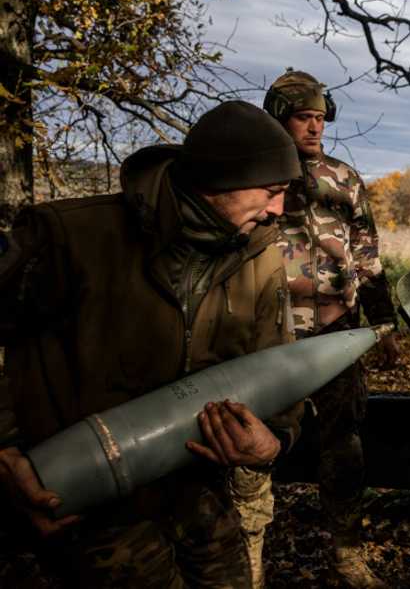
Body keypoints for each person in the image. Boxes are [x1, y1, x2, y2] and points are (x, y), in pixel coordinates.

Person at [0, 100, 304, 588]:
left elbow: (280, 366)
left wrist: (274, 439)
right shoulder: (68, 237)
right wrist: (4, 448)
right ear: (219, 179)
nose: (278, 209)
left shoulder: (260, 255)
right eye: (271, 192)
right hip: (94, 511)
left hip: (202, 500)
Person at [260, 69, 398, 588]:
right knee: (258, 444)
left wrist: (384, 324)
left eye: (320, 118)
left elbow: (368, 256)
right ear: (279, 118)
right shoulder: (260, 177)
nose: (315, 128)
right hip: (271, 339)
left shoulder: (344, 179)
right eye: (303, 118)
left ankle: (347, 555)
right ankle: (248, 548)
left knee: (344, 446)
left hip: (338, 336)